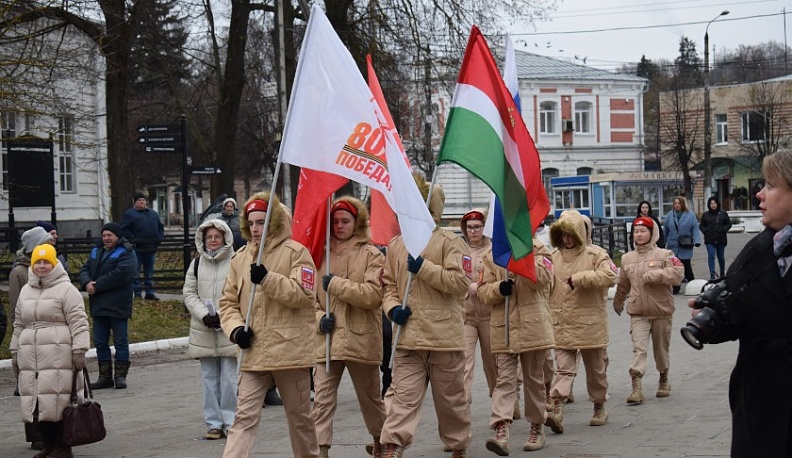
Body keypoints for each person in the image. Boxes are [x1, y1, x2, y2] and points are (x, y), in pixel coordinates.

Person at [687, 150, 792, 457]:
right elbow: (742, 309)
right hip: (760, 400)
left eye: (771, 185)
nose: (760, 194)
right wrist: (713, 317)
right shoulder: (760, 248)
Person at [218, 192, 320, 458]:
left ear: (274, 223)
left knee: (300, 420)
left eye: (261, 222)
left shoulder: (297, 253)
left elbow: (305, 296)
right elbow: (227, 303)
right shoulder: (239, 258)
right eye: (251, 222)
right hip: (253, 354)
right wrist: (236, 330)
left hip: (290, 354)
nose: (254, 228)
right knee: (243, 419)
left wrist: (268, 279)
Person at [378, 179, 472, 458]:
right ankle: (393, 445)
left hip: (444, 338)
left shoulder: (451, 242)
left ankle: (457, 445)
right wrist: (393, 308)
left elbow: (460, 283)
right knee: (403, 397)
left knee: (450, 401)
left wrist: (424, 268)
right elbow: (388, 286)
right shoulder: (396, 245)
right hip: (408, 339)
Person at [313, 196, 386, 457]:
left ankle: (381, 441)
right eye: (335, 221)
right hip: (328, 341)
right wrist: (320, 317)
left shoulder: (371, 253)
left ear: (358, 222)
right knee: (321, 400)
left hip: (361, 339)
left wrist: (336, 285)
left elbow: (373, 295)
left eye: (345, 220)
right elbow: (308, 296)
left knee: (370, 400)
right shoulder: (319, 254)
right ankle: (320, 450)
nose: (339, 225)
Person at [10, 243, 90, 458]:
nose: (42, 266)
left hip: (58, 354)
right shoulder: (26, 290)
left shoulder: (66, 289)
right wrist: (15, 350)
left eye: (46, 262)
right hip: (31, 356)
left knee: (59, 401)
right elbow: (18, 323)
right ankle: (48, 445)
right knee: (38, 402)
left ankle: (63, 447)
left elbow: (79, 321)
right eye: (38, 262)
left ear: (54, 264)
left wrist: (79, 349)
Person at [478, 239, 555, 453]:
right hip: (503, 328)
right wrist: (498, 289)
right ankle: (501, 429)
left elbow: (543, 279)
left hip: (532, 326)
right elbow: (483, 292)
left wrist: (520, 257)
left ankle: (537, 427)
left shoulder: (538, 249)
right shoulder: (491, 254)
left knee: (533, 379)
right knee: (504, 380)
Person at [545, 211, 618, 434]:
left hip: (590, 324)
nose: (566, 239)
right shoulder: (553, 257)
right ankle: (557, 407)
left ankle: (599, 406)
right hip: (562, 323)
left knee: (596, 370)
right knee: (564, 369)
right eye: (563, 235)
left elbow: (611, 276)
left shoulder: (596, 254)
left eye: (571, 235)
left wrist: (580, 278)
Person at [613, 216, 683, 405]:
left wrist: (657, 275)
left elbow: (678, 274)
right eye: (636, 231)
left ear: (652, 234)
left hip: (661, 310)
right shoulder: (627, 258)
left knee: (661, 350)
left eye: (643, 231)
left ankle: (663, 378)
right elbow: (623, 284)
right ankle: (636, 387)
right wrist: (618, 302)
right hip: (638, 312)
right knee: (639, 349)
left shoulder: (665, 254)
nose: (639, 234)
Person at [183, 219, 239, 440]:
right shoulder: (196, 264)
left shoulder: (236, 262)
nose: (213, 241)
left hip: (228, 327)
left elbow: (241, 291)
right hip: (204, 328)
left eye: (217, 236)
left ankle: (231, 421)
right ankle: (213, 423)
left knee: (229, 379)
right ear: (203, 240)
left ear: (225, 238)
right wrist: (204, 314)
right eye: (209, 237)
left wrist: (225, 316)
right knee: (208, 378)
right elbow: (189, 292)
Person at [9, 226, 54, 453]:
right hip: (30, 337)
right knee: (32, 388)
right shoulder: (20, 272)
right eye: (46, 241)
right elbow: (18, 308)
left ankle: (48, 434)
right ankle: (36, 436)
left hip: (47, 338)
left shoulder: (47, 267)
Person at [78, 222, 138, 390]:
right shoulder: (96, 250)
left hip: (118, 304)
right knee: (100, 341)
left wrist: (96, 286)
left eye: (109, 235)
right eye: (104, 235)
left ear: (117, 237)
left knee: (120, 341)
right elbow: (85, 269)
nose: (106, 238)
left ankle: (120, 376)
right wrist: (86, 282)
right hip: (99, 305)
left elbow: (122, 274)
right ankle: (105, 376)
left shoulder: (126, 252)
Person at [459, 209, 497, 407]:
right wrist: (466, 286)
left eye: (477, 227)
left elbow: (497, 278)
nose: (473, 231)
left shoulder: (493, 250)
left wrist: (480, 288)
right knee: (464, 361)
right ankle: (463, 404)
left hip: (489, 314)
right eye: (469, 227)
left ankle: (502, 399)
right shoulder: (459, 250)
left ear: (484, 227)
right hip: (466, 314)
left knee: (493, 362)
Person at [120, 192, 165, 300]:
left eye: (143, 200)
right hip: (137, 248)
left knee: (149, 271)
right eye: (139, 200)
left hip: (151, 247)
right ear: (135, 202)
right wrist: (134, 239)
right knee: (135, 271)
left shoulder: (153, 214)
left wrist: (158, 239)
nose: (142, 202)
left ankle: (149, 292)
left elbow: (160, 227)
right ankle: (138, 293)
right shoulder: (129, 214)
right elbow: (123, 229)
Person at [663, 196, 701, 293]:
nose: (677, 205)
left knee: (686, 265)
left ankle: (693, 284)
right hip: (673, 245)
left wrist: (697, 241)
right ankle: (676, 288)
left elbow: (695, 228)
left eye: (679, 203)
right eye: (675, 203)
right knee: (675, 267)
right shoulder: (670, 215)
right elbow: (665, 230)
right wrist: (662, 243)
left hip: (685, 245)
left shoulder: (690, 215)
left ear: (682, 204)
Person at [699, 196, 732, 279]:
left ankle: (722, 272)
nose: (713, 205)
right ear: (709, 205)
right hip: (709, 239)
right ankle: (712, 274)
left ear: (717, 204)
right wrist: (705, 231)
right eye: (711, 204)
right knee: (711, 256)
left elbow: (729, 224)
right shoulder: (706, 214)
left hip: (721, 238)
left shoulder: (723, 213)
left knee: (720, 256)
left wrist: (723, 230)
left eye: (714, 203)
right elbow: (701, 225)